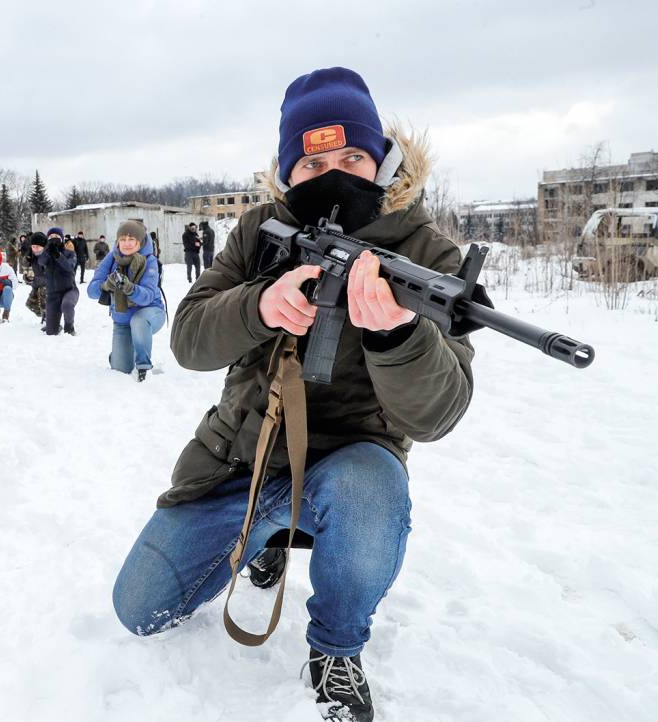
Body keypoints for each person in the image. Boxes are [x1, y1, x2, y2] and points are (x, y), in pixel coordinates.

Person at [111, 67, 476, 722]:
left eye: (352, 157)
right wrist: (260, 304)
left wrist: (397, 335)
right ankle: (267, 537)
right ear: (287, 174)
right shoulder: (258, 231)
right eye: (313, 163)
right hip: (239, 464)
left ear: (382, 161)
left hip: (347, 472)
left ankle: (336, 646)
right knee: (137, 612)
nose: (334, 173)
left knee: (371, 492)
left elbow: (438, 413)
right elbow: (189, 340)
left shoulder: (425, 254)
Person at [87, 221, 165, 381]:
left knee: (139, 321)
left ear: (140, 241)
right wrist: (105, 285)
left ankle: (144, 367)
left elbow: (148, 296)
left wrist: (129, 288)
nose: (127, 244)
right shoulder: (111, 258)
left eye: (132, 240)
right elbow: (91, 291)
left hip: (150, 314)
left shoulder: (149, 260)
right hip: (122, 320)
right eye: (123, 240)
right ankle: (120, 353)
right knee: (120, 369)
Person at [34, 226, 79, 335]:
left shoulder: (70, 253)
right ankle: (55, 326)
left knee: (67, 305)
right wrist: (47, 251)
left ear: (62, 238)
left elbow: (69, 267)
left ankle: (69, 327)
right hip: (53, 294)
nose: (54, 238)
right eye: (51, 236)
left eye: (56, 236)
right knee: (51, 332)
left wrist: (58, 255)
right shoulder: (47, 253)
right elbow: (41, 262)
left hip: (69, 290)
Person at [23, 232, 48, 326]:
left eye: (38, 246)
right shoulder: (31, 255)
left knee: (43, 301)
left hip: (48, 286)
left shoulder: (48, 255)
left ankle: (48, 318)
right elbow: (26, 270)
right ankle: (46, 315)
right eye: (33, 246)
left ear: (44, 246)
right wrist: (26, 277)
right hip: (36, 284)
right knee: (30, 304)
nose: (35, 249)